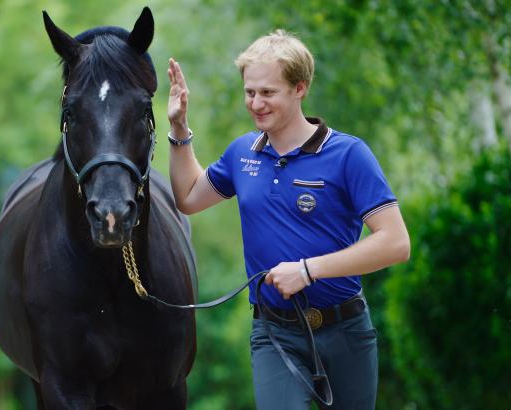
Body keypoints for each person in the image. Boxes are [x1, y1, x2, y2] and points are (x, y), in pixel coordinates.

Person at [166, 29, 410, 410]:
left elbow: (395, 242)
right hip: (274, 333)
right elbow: (189, 198)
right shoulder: (242, 154)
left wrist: (308, 270)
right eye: (250, 92)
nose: (256, 103)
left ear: (299, 88)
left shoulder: (348, 155)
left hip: (346, 331)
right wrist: (179, 130)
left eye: (268, 92)